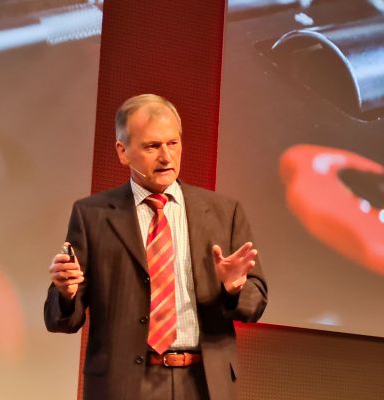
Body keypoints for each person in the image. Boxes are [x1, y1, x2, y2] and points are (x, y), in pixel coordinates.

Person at [44, 94, 267, 400]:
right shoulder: (92, 215)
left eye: (173, 143)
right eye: (152, 146)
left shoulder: (224, 213)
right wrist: (67, 294)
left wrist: (233, 289)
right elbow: (62, 320)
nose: (166, 157)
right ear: (123, 151)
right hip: (125, 385)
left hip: (203, 382)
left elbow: (256, 301)